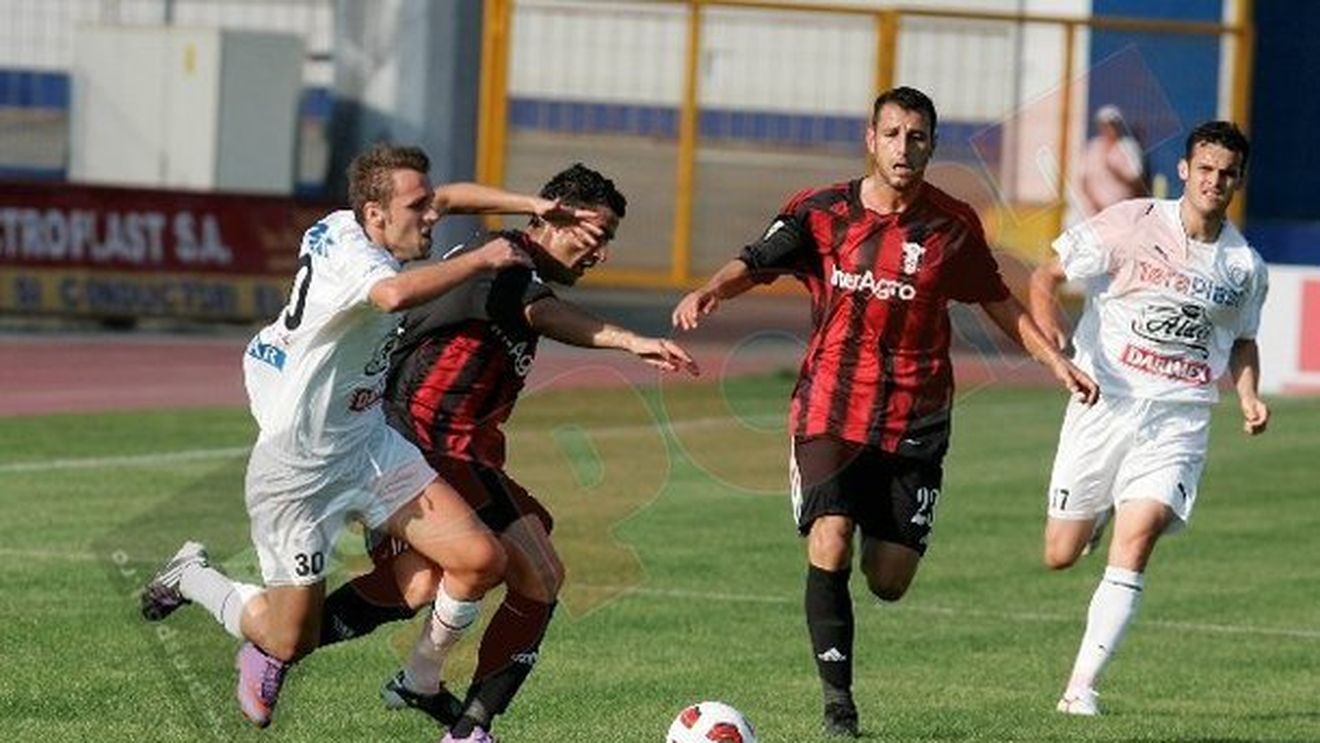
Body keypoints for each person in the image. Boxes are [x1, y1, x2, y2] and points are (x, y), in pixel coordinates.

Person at [671, 86, 1099, 738]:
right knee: (831, 538)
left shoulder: (951, 225)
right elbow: (756, 260)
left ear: (931, 144)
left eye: (918, 136)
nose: (904, 147)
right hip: (829, 411)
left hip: (915, 420)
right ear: (871, 139)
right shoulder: (820, 214)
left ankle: (878, 522)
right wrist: (710, 291)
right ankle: (839, 706)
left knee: (890, 579)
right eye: (893, 133)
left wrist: (1052, 360)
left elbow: (997, 301)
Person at [139, 144, 602, 728]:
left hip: (370, 445)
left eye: (428, 205)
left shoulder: (367, 226)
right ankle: (195, 577)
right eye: (418, 208)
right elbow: (393, 295)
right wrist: (484, 257)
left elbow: (450, 198)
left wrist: (532, 204)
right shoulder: (360, 261)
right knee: (289, 639)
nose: (432, 216)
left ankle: (421, 681)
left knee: (480, 558)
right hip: (298, 469)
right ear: (375, 213)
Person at [312, 163, 699, 743]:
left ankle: (296, 646)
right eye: (597, 236)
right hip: (417, 445)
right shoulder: (506, 260)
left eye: (608, 240)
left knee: (421, 586)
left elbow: (445, 201)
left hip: (464, 454)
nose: (601, 254)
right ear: (555, 218)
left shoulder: (508, 257)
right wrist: (632, 341)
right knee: (534, 573)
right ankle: (459, 721)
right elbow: (543, 312)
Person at [1030, 120, 1269, 716]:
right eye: (1205, 169)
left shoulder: (1244, 266)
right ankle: (1104, 508)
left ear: (1240, 180)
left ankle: (1079, 689)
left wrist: (1248, 396)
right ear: (1186, 170)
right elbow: (1047, 273)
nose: (1215, 181)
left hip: (1178, 418)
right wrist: (1051, 330)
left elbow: (1241, 341)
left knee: (1142, 534)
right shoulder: (1133, 220)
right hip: (1102, 403)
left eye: (1228, 173)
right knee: (1060, 553)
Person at [1077, 104, 1146, 217]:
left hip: (1120, 213)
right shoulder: (1092, 148)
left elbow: (1136, 181)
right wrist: (1094, 203)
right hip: (1093, 213)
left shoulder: (1128, 148)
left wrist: (1116, 172)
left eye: (1112, 125)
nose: (1109, 129)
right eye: (1105, 125)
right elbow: (1083, 179)